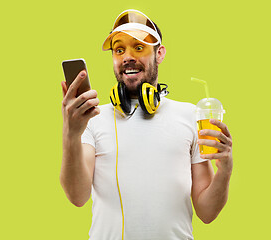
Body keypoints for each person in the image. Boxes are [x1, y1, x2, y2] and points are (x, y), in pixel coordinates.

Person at [60, 9, 233, 240]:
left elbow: (207, 212)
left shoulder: (191, 115)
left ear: (159, 53)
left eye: (138, 47)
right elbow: (77, 196)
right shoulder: (92, 118)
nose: (127, 57)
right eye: (119, 49)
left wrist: (225, 171)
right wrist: (71, 135)